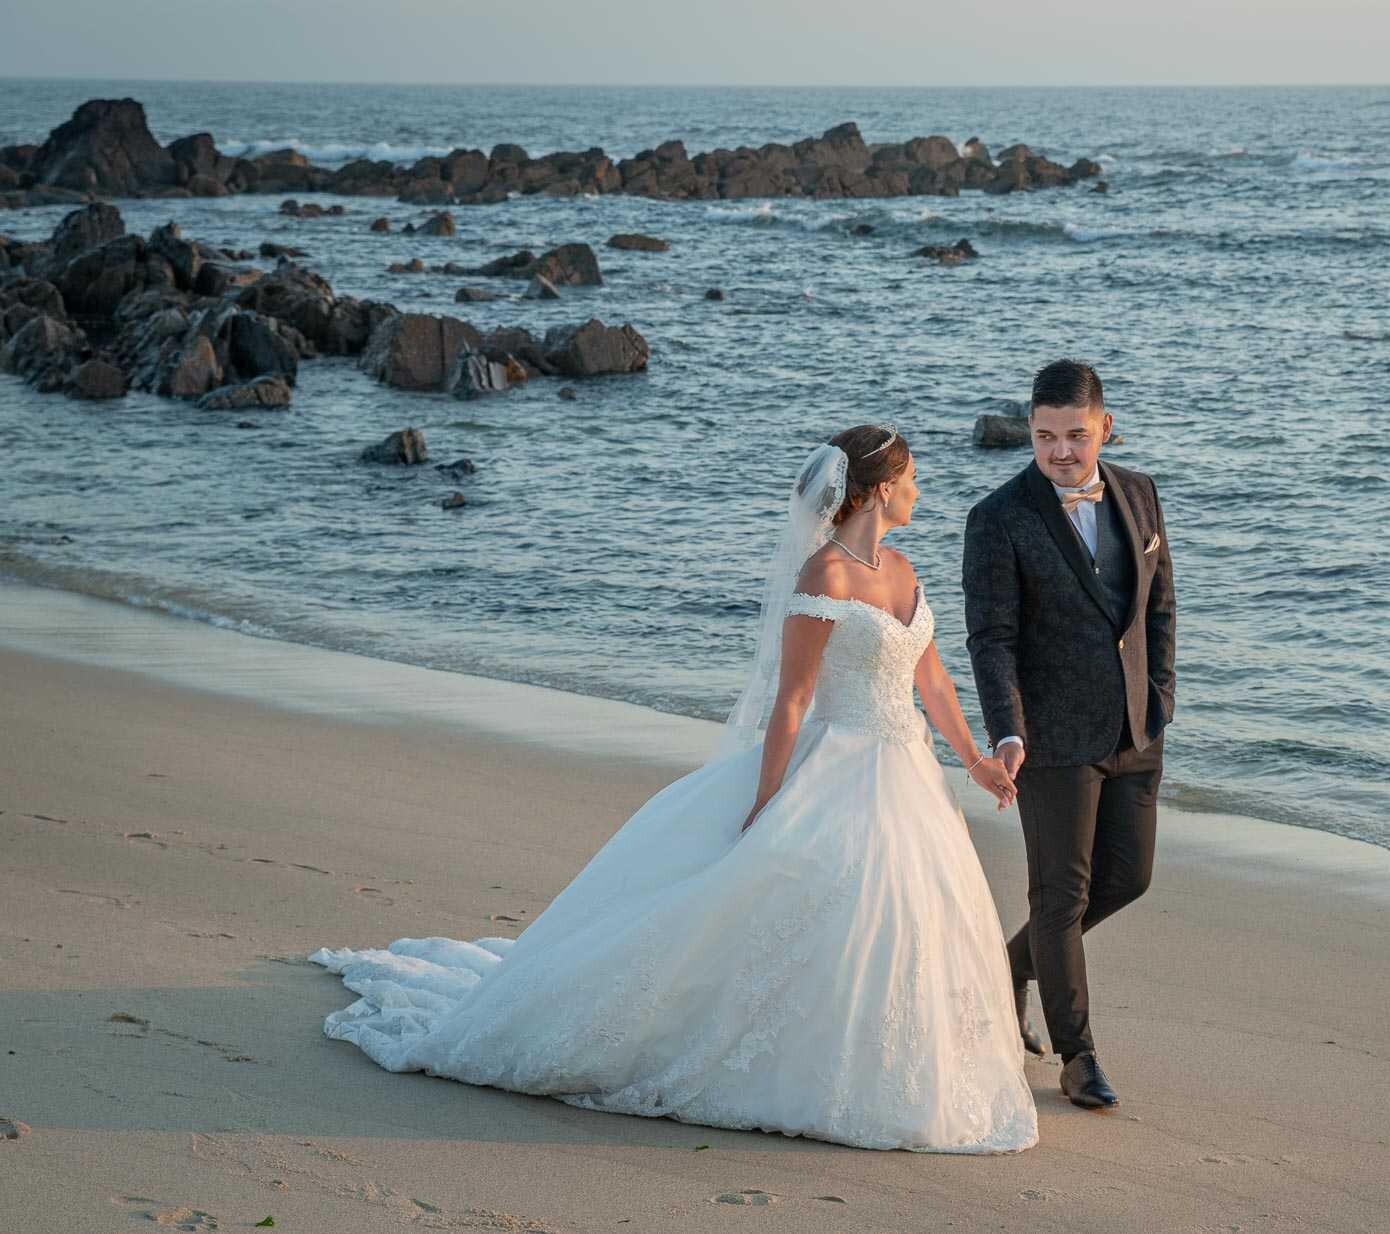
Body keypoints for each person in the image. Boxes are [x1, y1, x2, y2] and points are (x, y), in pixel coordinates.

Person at [309, 425, 1038, 1154]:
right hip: (839, 763)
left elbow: (930, 679)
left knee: (907, 914)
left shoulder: (905, 568)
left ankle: (892, 1066)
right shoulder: (825, 576)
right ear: (882, 488)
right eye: (911, 479)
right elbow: (791, 700)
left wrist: (973, 761)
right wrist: (768, 798)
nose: (919, 490)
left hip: (904, 772)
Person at [963, 360, 1176, 1111]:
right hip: (1050, 736)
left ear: (1104, 428)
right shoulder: (998, 518)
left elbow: (1159, 608)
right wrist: (1007, 732)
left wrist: (1161, 697)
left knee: (1130, 877)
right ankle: (1077, 1055)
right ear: (1030, 430)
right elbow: (991, 638)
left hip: (1133, 727)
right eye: (1046, 436)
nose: (1060, 452)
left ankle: (1008, 965)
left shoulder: (1140, 493)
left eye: (1075, 436)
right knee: (1061, 894)